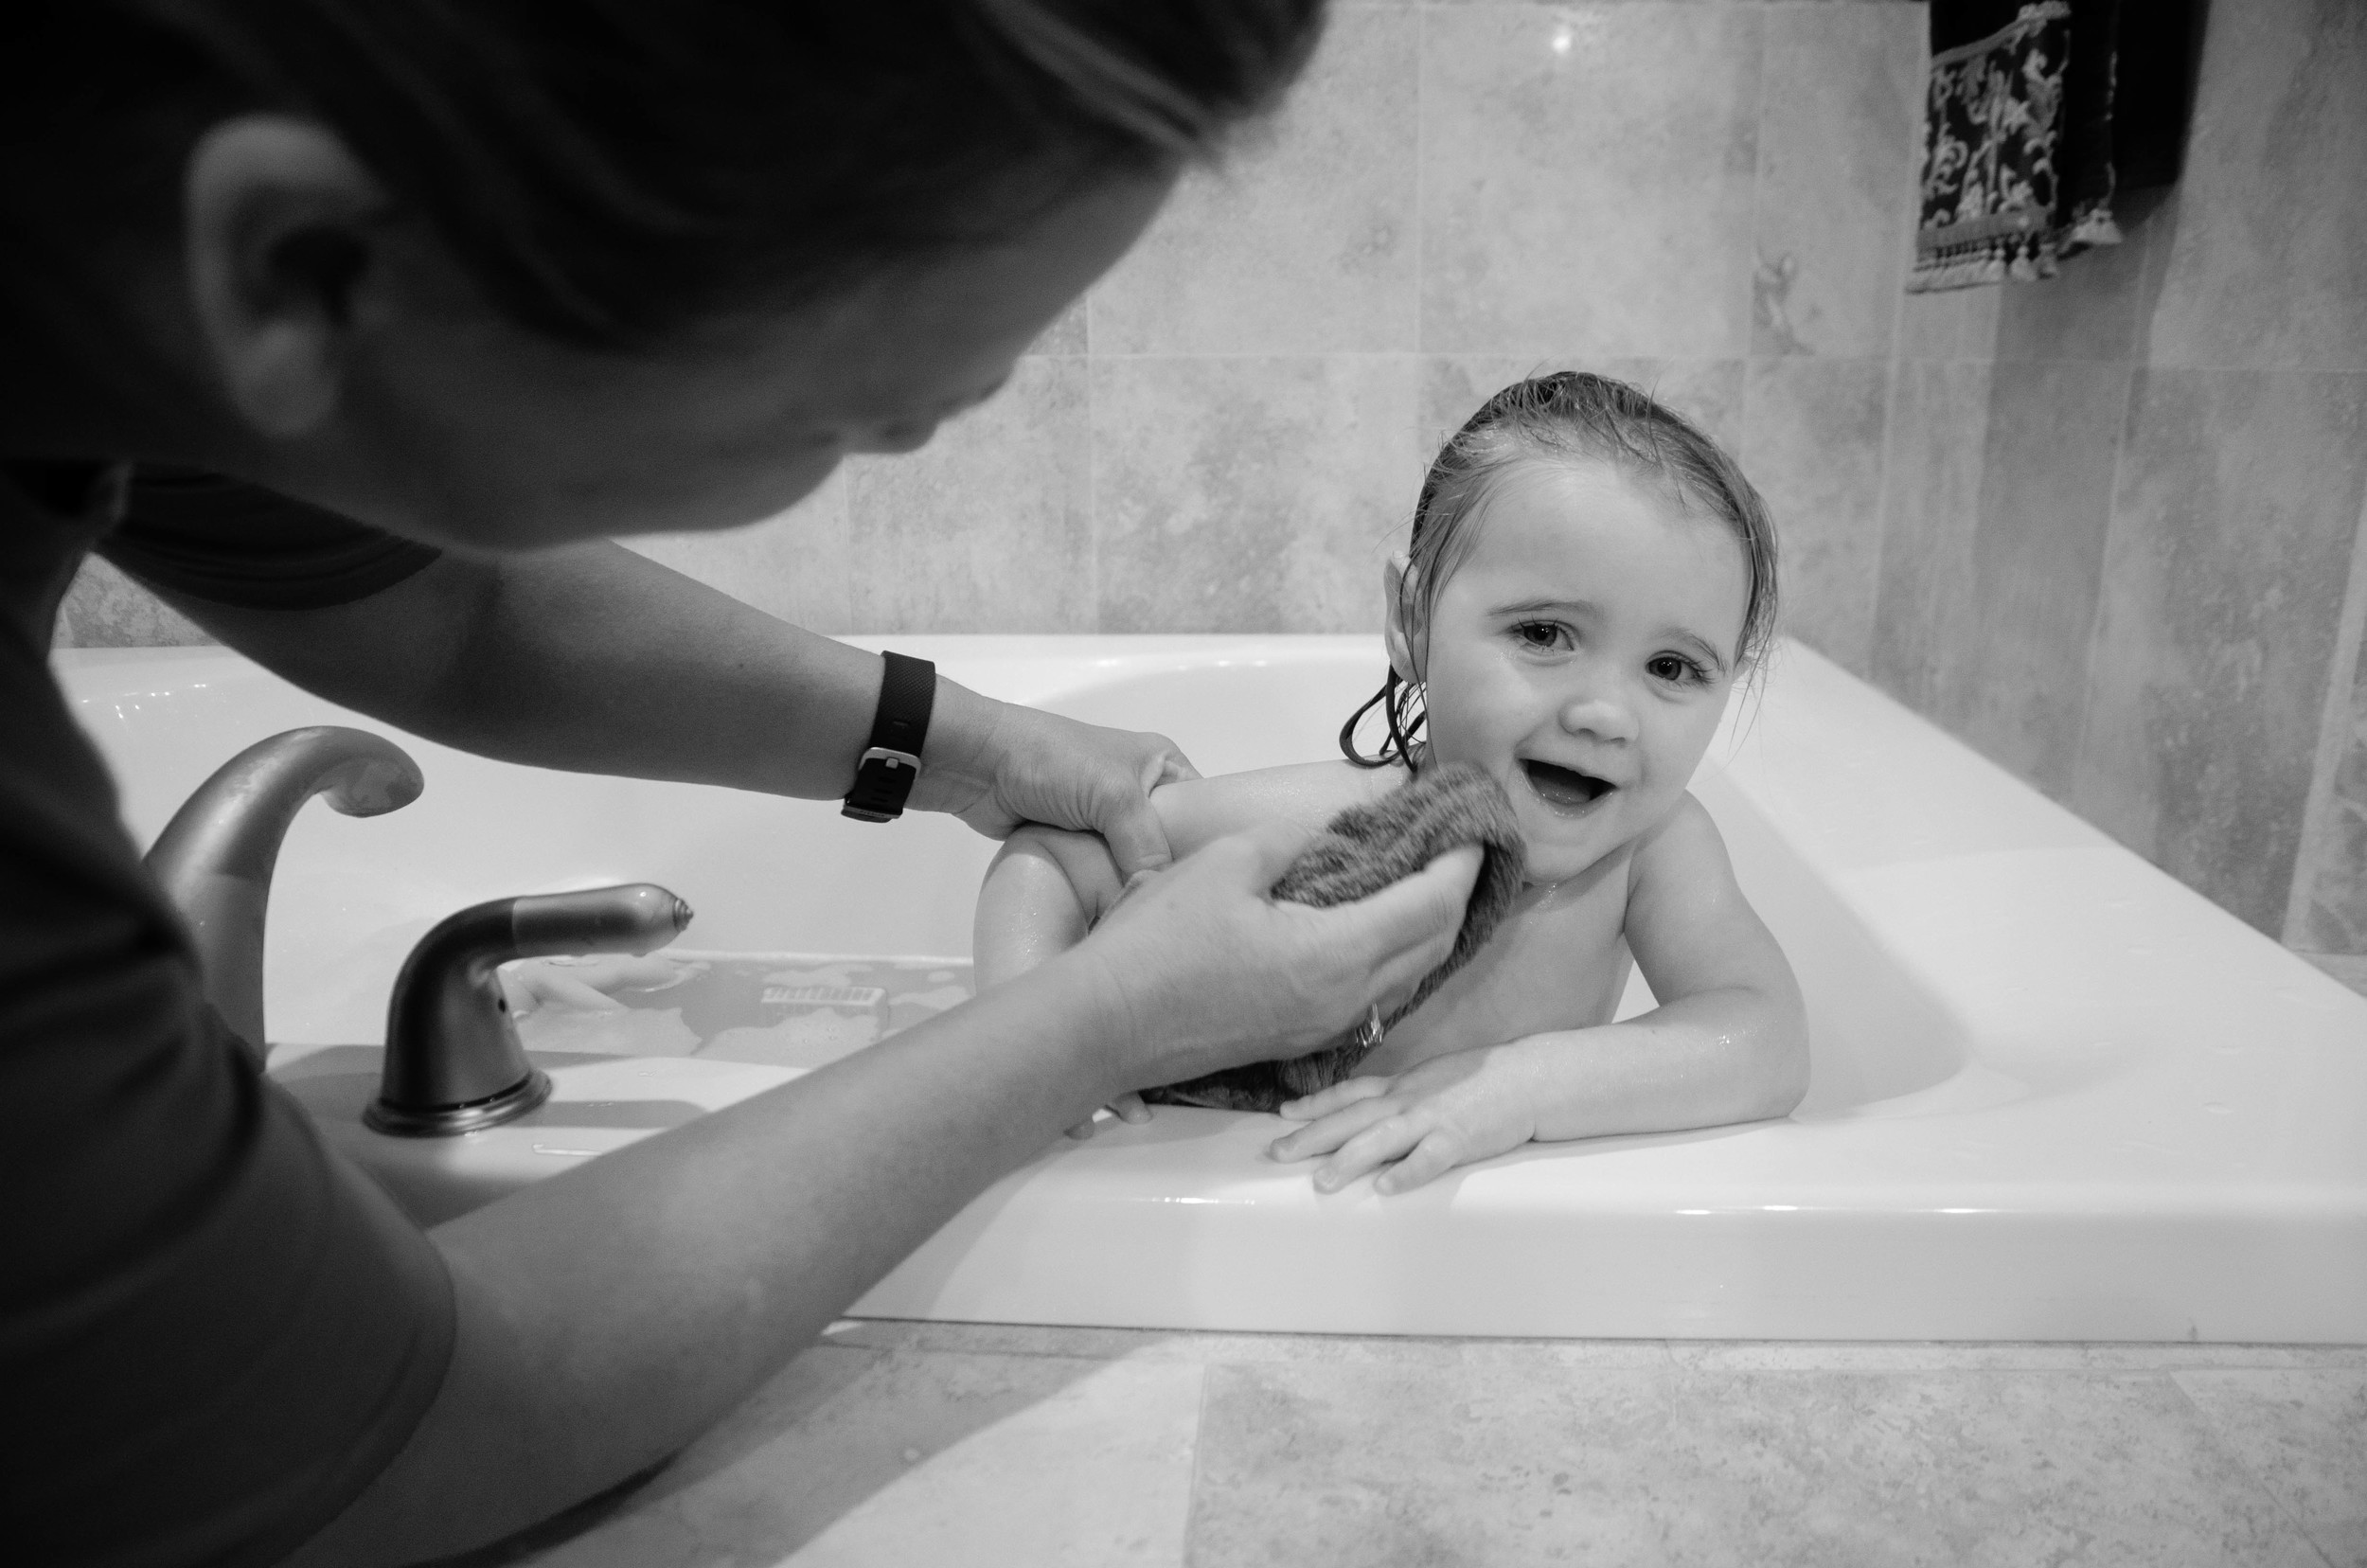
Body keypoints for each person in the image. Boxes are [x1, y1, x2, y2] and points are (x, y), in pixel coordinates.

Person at [0, 5, 1485, 1564]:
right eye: (849, 415)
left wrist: (969, 744)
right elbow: (366, 1445)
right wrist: (1101, 1018)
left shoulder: (109, 253)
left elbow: (442, 606)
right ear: (295, 264)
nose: (904, 443)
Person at [975, 371, 1810, 1192]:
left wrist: (1521, 1087)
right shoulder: (1349, 822)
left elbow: (1766, 1039)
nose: (1605, 713)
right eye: (1546, 633)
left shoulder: (1653, 853)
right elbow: (1053, 852)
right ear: (1412, 621)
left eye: (1671, 666)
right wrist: (1042, 1040)